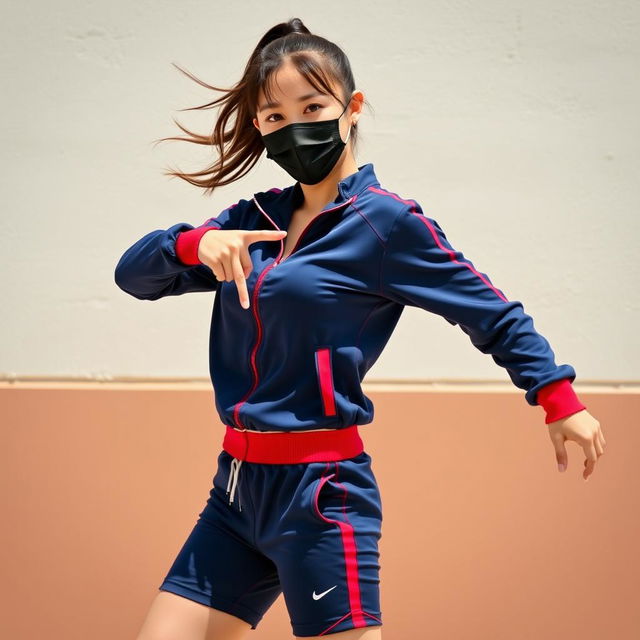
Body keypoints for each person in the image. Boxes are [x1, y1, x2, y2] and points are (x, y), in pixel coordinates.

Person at [114, 17, 605, 640]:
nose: (295, 126)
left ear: (352, 108)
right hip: (235, 492)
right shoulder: (253, 217)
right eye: (274, 116)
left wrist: (557, 397)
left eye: (312, 106)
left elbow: (491, 312)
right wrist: (192, 245)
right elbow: (132, 276)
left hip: (321, 497)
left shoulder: (385, 225)